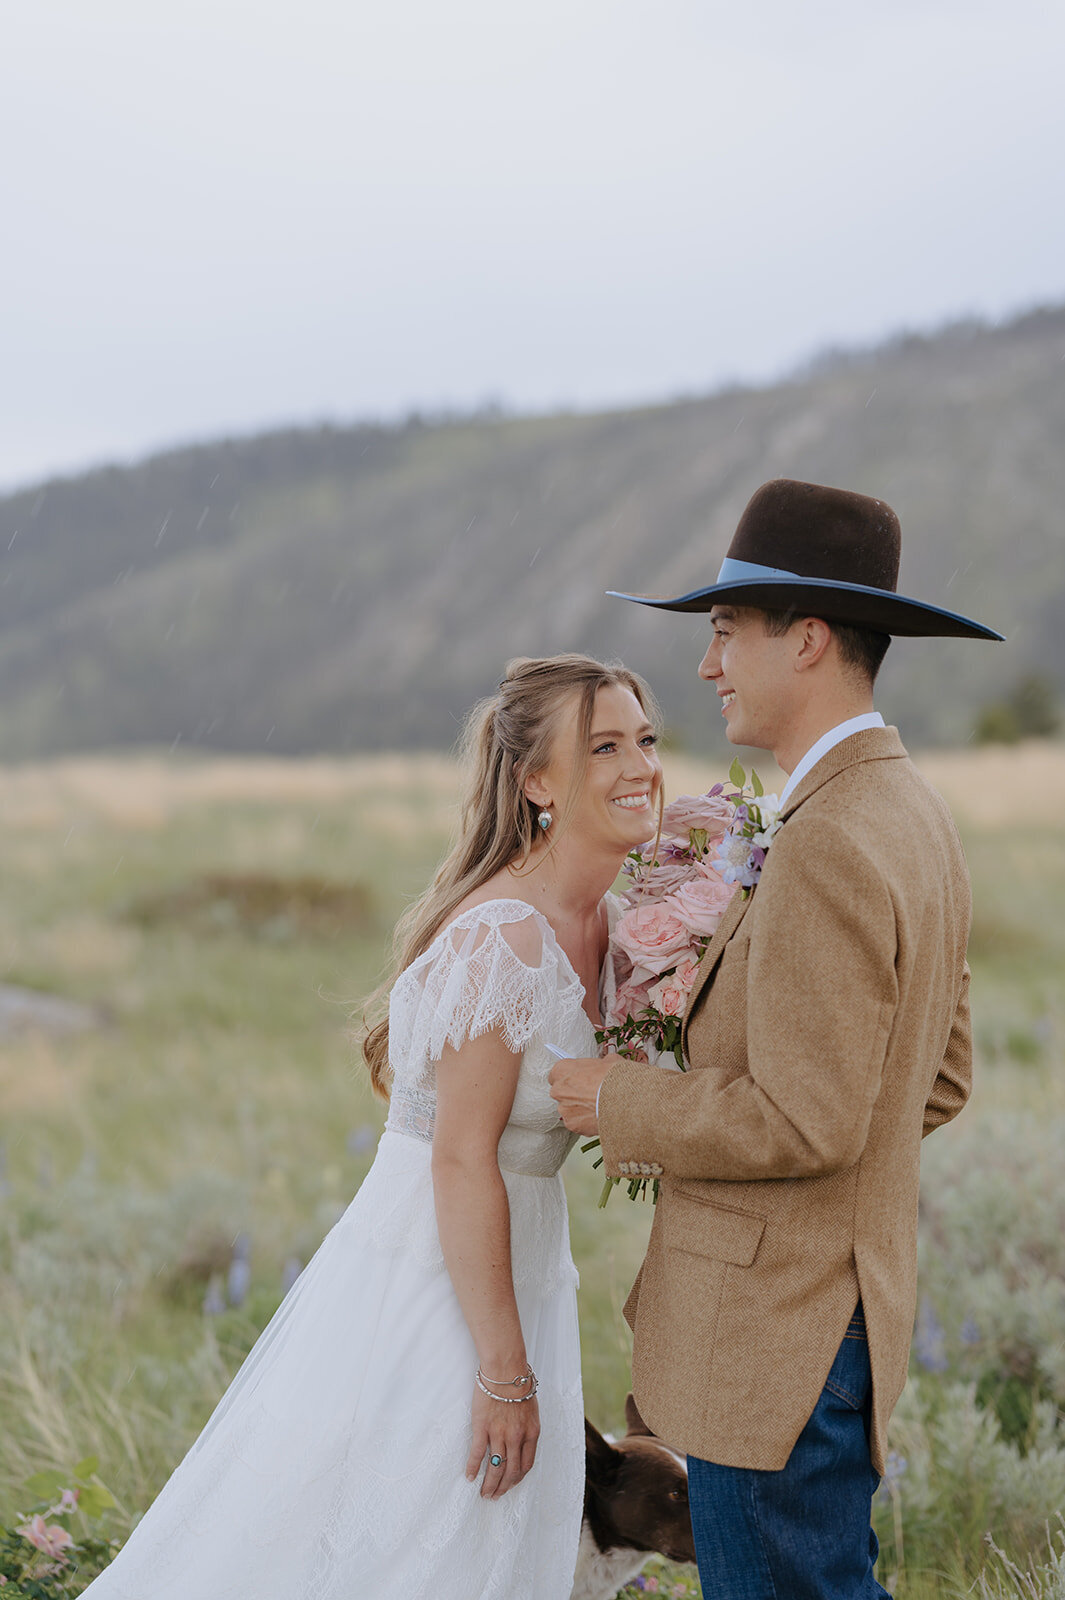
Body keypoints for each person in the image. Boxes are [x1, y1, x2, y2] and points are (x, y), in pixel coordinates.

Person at [79, 652, 661, 1600]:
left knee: (496, 1547)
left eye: (645, 739)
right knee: (401, 1542)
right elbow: (462, 1159)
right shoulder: (501, 938)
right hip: (435, 1286)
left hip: (526, 1266)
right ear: (539, 783)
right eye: (603, 746)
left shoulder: (624, 926)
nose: (640, 765)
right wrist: (504, 1371)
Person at [549, 479, 1003, 1600]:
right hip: (833, 1328)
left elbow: (810, 1115)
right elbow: (934, 1079)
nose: (708, 667)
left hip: (777, 1344)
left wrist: (618, 1097)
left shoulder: (831, 841)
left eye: (723, 634)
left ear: (806, 639)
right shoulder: (910, 812)